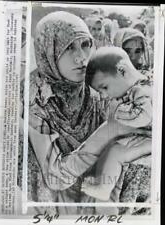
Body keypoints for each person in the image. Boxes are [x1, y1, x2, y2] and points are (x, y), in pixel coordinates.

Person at [18, 11, 150, 215]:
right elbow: (55, 177)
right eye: (69, 46)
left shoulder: (100, 85)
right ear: (49, 50)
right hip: (60, 203)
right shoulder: (35, 97)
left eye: (86, 44)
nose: (82, 57)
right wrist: (109, 131)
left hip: (104, 188)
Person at [83, 47, 151, 205]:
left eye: (105, 87)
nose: (105, 95)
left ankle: (103, 189)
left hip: (152, 139)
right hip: (146, 136)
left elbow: (144, 116)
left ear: (122, 71)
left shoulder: (141, 90)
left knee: (117, 152)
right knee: (114, 148)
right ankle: (103, 183)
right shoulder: (136, 88)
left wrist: (116, 111)